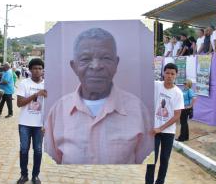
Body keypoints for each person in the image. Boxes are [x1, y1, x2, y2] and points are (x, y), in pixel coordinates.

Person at [45, 27, 151, 165]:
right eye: (85, 59)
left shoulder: (137, 109)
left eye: (106, 58)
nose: (96, 66)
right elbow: (51, 166)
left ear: (116, 63)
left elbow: (145, 167)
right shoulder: (58, 111)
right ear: (74, 66)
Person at [144, 62, 184, 184]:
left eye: (172, 74)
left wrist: (160, 128)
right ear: (163, 73)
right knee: (151, 160)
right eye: (167, 73)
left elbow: (177, 115)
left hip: (168, 132)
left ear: (176, 76)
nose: (169, 76)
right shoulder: (156, 85)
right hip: (153, 130)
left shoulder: (178, 93)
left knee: (164, 160)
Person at [16, 58, 47, 184]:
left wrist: (47, 124)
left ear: (43, 70)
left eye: (40, 68)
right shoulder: (24, 83)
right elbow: (19, 103)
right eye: (34, 68)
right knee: (24, 150)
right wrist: (35, 95)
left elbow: (51, 106)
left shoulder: (47, 85)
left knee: (38, 150)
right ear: (30, 70)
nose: (37, 71)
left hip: (39, 125)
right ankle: (24, 175)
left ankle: (35, 176)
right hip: (25, 123)